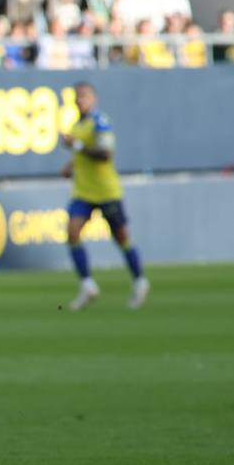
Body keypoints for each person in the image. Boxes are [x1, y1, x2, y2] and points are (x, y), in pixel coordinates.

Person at [60, 81, 149, 310]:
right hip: (83, 192)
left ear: (94, 98)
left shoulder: (100, 123)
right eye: (77, 97)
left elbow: (105, 155)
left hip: (106, 191)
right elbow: (83, 154)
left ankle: (140, 280)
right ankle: (87, 285)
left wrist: (77, 147)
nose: (80, 100)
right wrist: (71, 165)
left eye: (84, 96)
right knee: (72, 232)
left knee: (120, 237)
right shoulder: (78, 125)